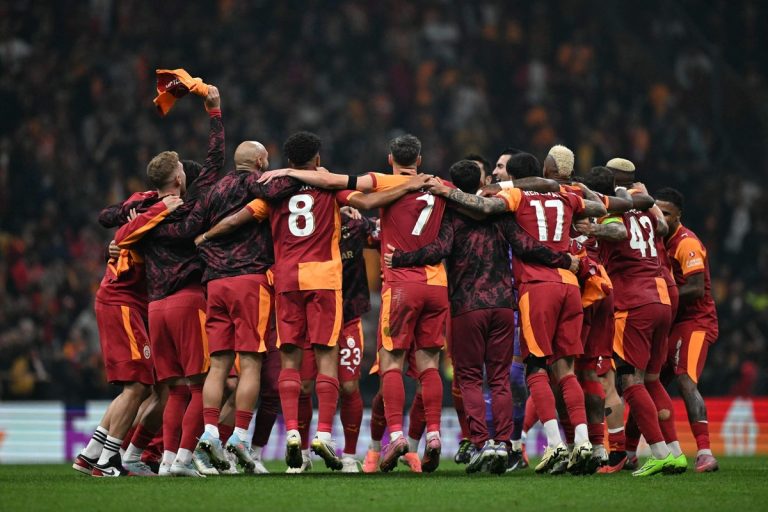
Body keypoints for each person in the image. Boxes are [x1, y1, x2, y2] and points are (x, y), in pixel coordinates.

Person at [384, 159, 578, 474]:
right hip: (502, 305)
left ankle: (481, 443)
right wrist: (564, 259)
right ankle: (502, 444)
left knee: (471, 378)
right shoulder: (499, 212)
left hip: (467, 307)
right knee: (500, 378)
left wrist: (403, 258)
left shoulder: (452, 214)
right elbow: (526, 245)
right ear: (482, 181)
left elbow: (438, 249)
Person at [425, 157, 607, 475]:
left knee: (529, 368)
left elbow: (478, 216)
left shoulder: (511, 198)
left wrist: (445, 193)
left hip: (526, 290)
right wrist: (576, 193)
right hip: (559, 288)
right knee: (562, 371)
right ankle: (581, 443)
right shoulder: (563, 196)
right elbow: (598, 209)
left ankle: (548, 445)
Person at [114, 86, 224, 477]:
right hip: (187, 301)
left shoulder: (144, 215)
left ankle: (165, 462)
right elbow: (214, 163)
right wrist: (214, 113)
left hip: (155, 308)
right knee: (199, 387)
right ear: (179, 176)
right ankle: (181, 460)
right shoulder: (189, 210)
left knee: (174, 390)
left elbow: (112, 221)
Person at [578, 165, 686, 477]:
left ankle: (659, 453)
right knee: (651, 379)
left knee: (630, 381)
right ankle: (676, 453)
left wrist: (593, 230)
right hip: (661, 298)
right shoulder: (645, 209)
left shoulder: (612, 212)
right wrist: (646, 199)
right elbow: (663, 228)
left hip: (634, 302)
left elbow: (619, 232)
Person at [72, 192, 182, 477]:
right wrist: (147, 215)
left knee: (146, 387)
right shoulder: (154, 205)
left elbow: (117, 225)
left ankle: (92, 453)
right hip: (124, 304)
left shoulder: (153, 211)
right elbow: (109, 217)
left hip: (135, 306)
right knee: (137, 386)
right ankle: (109, 458)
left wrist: (133, 227)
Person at [655, 187, 720, 473]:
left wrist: (660, 296)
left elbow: (695, 288)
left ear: (678, 215)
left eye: (667, 213)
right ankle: (628, 451)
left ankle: (705, 452)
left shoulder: (686, 242)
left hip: (696, 322)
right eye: (658, 212)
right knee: (650, 382)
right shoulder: (657, 239)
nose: (661, 217)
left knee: (685, 380)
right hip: (671, 322)